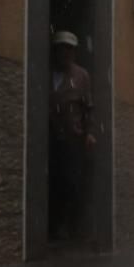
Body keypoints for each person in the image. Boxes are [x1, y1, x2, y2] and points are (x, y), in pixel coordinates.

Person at [49, 30, 96, 241]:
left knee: (71, 182)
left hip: (72, 139)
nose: (65, 53)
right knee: (53, 180)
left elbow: (89, 108)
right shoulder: (47, 72)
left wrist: (90, 133)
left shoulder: (81, 76)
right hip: (51, 137)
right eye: (61, 48)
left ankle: (68, 226)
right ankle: (54, 225)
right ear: (55, 50)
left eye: (69, 49)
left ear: (74, 53)